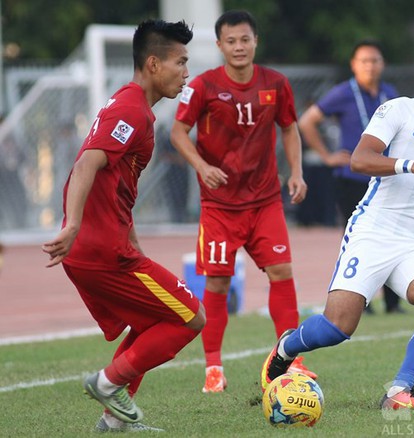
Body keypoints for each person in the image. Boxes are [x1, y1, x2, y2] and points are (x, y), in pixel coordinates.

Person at [261, 36, 414, 409]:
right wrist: (410, 165)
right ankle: (285, 347)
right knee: (337, 327)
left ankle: (399, 391)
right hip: (372, 232)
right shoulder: (397, 111)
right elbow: (360, 158)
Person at [41, 19, 203, 432]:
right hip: (99, 249)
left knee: (152, 321)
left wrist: (131, 241)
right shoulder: (132, 110)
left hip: (100, 246)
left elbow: (116, 190)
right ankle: (107, 383)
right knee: (191, 318)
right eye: (180, 61)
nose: (186, 72)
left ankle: (114, 420)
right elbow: (86, 164)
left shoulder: (129, 105)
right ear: (153, 63)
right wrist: (73, 224)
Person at [170, 9, 315, 394]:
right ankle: (213, 368)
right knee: (216, 285)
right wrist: (201, 166)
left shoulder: (276, 83)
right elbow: (178, 132)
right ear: (219, 45)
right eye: (230, 41)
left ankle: (293, 359)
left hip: (265, 200)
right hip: (219, 207)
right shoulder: (201, 86)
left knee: (282, 271)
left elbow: (289, 129)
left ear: (255, 42)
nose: (238, 47)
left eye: (244, 39)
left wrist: (297, 172)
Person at [298, 39, 403, 314]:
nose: (370, 66)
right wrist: (327, 156)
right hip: (352, 178)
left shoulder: (389, 94)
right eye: (364, 61)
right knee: (360, 240)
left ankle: (393, 303)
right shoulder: (343, 93)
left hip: (386, 178)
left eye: (375, 60)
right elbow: (307, 121)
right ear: (354, 65)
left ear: (383, 64)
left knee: (392, 237)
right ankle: (361, 301)